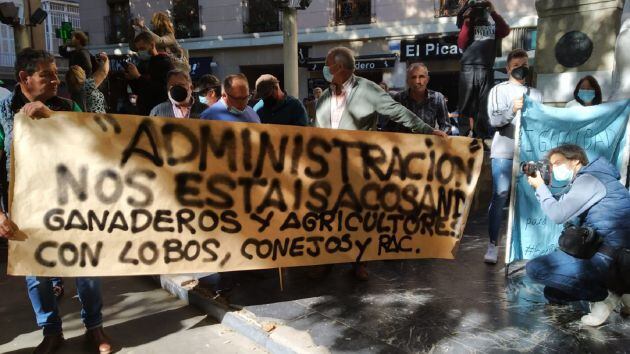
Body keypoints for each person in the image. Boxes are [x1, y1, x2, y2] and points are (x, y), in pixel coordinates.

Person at [0, 48, 112, 354]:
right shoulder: (3, 113)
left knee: (86, 269)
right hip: (27, 209)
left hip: (72, 204)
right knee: (38, 275)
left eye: (56, 72)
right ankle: (51, 332)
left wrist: (54, 120)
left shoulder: (69, 106)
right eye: (46, 73)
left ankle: (94, 327)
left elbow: (89, 149)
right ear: (24, 78)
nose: (55, 78)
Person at [314, 46, 447, 280]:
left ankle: (359, 262)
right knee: (332, 215)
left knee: (359, 217)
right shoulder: (324, 97)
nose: (324, 70)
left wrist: (427, 130)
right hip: (330, 168)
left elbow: (397, 112)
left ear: (340, 69)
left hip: (359, 167)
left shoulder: (368, 90)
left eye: (328, 66)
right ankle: (330, 258)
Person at [525, 144, 630, 326]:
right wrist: (541, 189)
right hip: (617, 253)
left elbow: (558, 214)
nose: (554, 168)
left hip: (614, 255)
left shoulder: (590, 180)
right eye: (552, 165)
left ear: (575, 161)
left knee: (536, 269)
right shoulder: (594, 178)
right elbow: (567, 216)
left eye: (558, 162)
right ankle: (624, 290)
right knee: (553, 293)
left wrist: (541, 187)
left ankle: (607, 295)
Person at [484, 48, 543, 264]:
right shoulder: (498, 90)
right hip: (504, 151)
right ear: (508, 68)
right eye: (517, 65)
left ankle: (525, 244)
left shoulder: (536, 94)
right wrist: (513, 109)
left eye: (524, 64)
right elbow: (494, 120)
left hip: (529, 153)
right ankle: (493, 244)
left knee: (529, 198)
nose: (521, 68)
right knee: (500, 194)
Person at [456, 0, 510, 138]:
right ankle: (464, 133)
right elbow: (461, 43)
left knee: (484, 105)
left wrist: (493, 11)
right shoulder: (467, 24)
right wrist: (467, 20)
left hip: (486, 68)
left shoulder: (492, 28)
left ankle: (482, 136)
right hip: (468, 68)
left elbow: (505, 30)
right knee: (465, 103)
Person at [382, 62, 451, 133]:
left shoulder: (437, 98)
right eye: (413, 77)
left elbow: (446, 125)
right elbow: (388, 126)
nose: (417, 81)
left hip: (426, 142)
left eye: (421, 77)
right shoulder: (399, 98)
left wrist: (441, 134)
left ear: (427, 79)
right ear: (407, 81)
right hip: (404, 142)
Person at [125, 31, 175, 116]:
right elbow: (139, 90)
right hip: (144, 111)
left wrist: (138, 77)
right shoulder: (142, 64)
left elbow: (162, 90)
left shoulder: (165, 62)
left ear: (152, 45)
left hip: (160, 112)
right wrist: (132, 79)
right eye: (138, 49)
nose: (140, 52)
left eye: (142, 48)